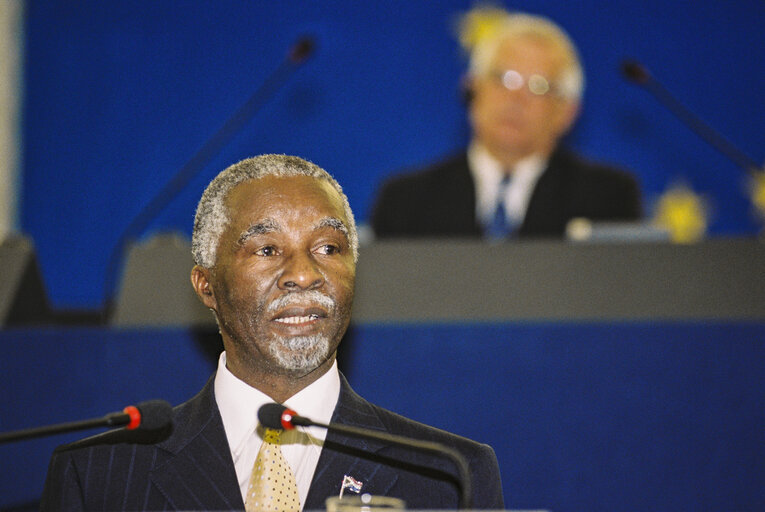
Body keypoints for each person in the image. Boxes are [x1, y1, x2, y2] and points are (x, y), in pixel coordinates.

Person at [40, 154, 504, 511]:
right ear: (207, 286)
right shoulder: (99, 473)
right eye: (266, 248)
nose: (304, 274)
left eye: (328, 247)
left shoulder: (447, 475)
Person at [372, 11, 641, 239]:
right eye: (503, 78)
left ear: (566, 113)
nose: (516, 99)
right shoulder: (406, 201)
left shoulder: (608, 198)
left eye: (538, 86)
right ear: (472, 89)